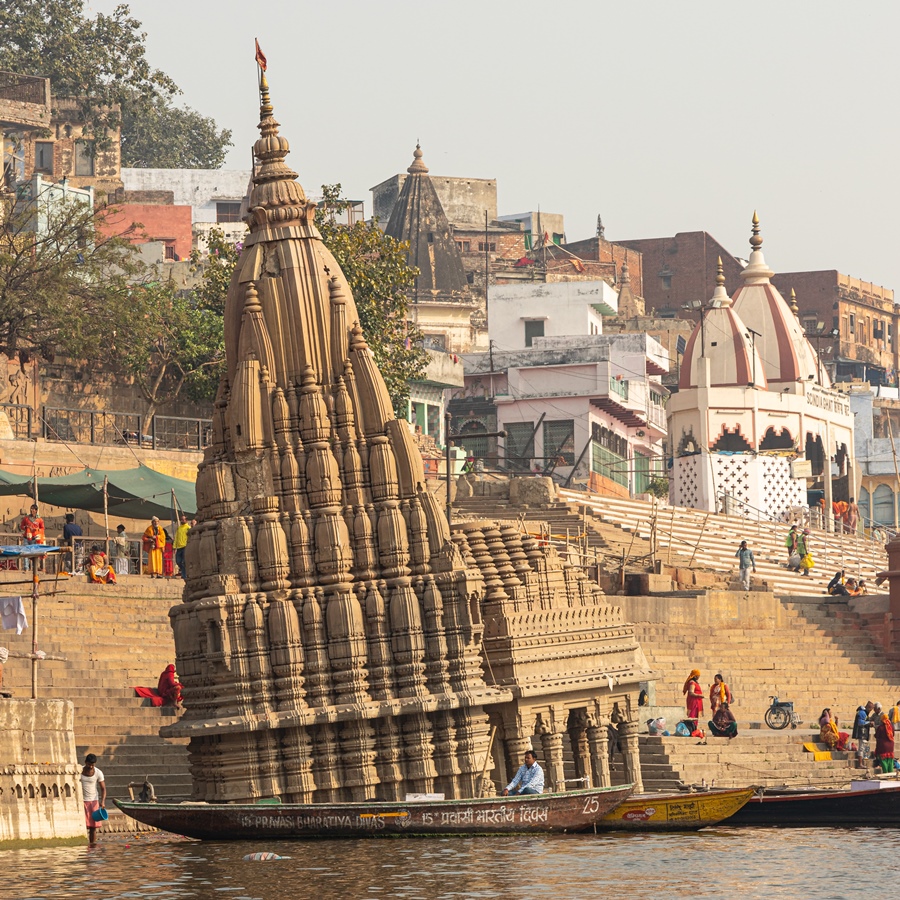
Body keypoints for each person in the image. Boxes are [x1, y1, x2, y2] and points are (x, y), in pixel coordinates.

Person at [81, 752, 106, 844]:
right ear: (85, 762)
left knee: (93, 827)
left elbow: (103, 788)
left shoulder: (98, 773)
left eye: (92, 765)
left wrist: (102, 802)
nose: (91, 766)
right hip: (82, 801)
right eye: (89, 764)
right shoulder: (79, 771)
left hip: (93, 801)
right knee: (83, 825)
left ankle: (92, 846)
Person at [173, 514, 191, 579]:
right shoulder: (179, 528)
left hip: (185, 546)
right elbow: (176, 538)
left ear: (186, 520)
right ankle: (184, 572)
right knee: (178, 561)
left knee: (183, 562)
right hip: (179, 547)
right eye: (181, 519)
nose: (182, 520)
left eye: (184, 519)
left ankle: (184, 575)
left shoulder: (188, 528)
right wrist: (174, 546)